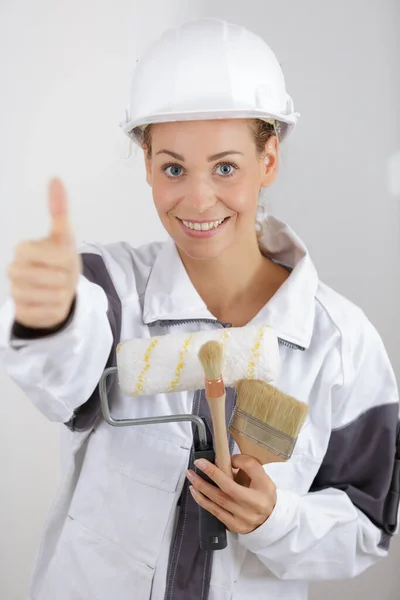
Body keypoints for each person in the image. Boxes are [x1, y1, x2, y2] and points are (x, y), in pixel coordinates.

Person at [0, 16, 399, 600]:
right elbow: (59, 376)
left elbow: (367, 525)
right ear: (147, 165)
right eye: (173, 168)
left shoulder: (340, 342)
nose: (197, 197)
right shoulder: (107, 288)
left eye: (226, 167)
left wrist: (274, 520)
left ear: (269, 160)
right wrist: (48, 313)